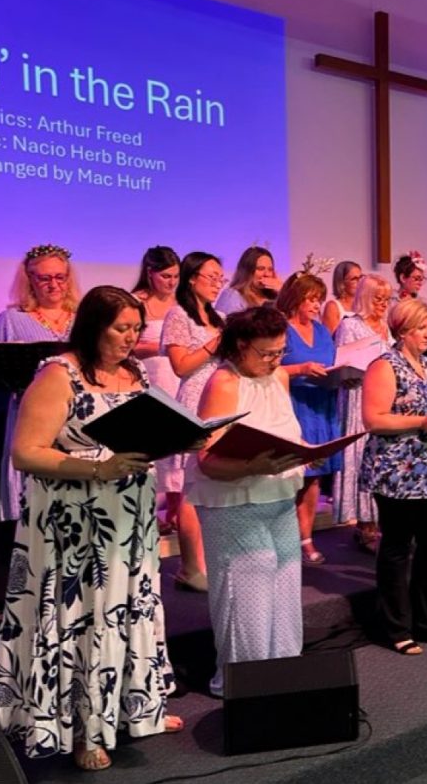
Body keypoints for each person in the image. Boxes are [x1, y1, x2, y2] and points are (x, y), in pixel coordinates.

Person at [0, 286, 180, 771]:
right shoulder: (59, 374)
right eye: (122, 329)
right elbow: (26, 451)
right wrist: (98, 467)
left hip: (128, 522)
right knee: (83, 619)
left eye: (137, 330)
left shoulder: (132, 373)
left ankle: (131, 709)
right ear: (94, 325)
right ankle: (82, 730)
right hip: (75, 526)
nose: (131, 339)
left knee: (124, 612)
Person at [188, 306, 309, 698]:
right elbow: (207, 461)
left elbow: (286, 433)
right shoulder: (224, 383)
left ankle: (285, 675)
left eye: (280, 352)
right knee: (247, 595)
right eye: (266, 353)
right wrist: (251, 465)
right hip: (234, 500)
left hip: (277, 497)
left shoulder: (279, 378)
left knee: (286, 586)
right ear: (241, 346)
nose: (275, 361)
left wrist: (309, 452)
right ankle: (247, 685)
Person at [360, 299, 427, 655]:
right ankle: (396, 628)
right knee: (397, 548)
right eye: (421, 327)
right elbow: (374, 419)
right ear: (402, 330)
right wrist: (420, 422)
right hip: (398, 472)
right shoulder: (385, 366)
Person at [0, 244, 82, 522]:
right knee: (34, 505)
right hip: (31, 413)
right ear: (30, 280)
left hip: (75, 415)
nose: (54, 285)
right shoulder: (11, 320)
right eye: (45, 278)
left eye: (60, 277)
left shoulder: (82, 319)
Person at [160, 251, 226, 591]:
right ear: (191, 278)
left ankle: (212, 561)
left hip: (222, 397)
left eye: (221, 276)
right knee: (191, 483)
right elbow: (181, 366)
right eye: (211, 275)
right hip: (194, 398)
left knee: (215, 480)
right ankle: (190, 567)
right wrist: (216, 343)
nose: (218, 282)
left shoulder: (222, 316)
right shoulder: (178, 314)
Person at [277, 273, 343, 566]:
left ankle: (306, 538)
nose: (317, 305)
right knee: (293, 476)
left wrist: (345, 377)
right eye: (311, 299)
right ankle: (284, 539)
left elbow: (332, 364)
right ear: (295, 298)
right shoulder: (282, 329)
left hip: (321, 404)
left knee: (315, 477)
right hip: (294, 404)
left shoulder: (321, 330)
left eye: (319, 299)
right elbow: (270, 370)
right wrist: (301, 368)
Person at [333, 274, 393, 548]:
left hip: (383, 396)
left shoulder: (386, 327)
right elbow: (341, 363)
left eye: (386, 299)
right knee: (360, 456)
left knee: (381, 456)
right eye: (378, 299)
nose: (383, 304)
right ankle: (365, 524)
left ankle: (381, 520)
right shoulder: (350, 325)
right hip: (359, 395)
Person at [131, 246, 181, 495]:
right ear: (150, 273)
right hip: (152, 379)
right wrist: (161, 347)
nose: (171, 282)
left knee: (179, 444)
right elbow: (129, 346)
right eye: (165, 276)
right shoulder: (136, 301)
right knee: (155, 444)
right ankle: (151, 508)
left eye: (175, 276)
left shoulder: (182, 302)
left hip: (178, 377)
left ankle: (175, 510)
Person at [215, 245, 281, 315]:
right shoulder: (233, 295)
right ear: (247, 271)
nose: (267, 274)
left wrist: (283, 291)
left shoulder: (274, 297)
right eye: (260, 269)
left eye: (270, 270)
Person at [322, 260, 362, 334]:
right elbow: (329, 338)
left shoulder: (364, 305)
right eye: (354, 279)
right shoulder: (333, 306)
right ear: (342, 282)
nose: (360, 282)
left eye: (361, 278)